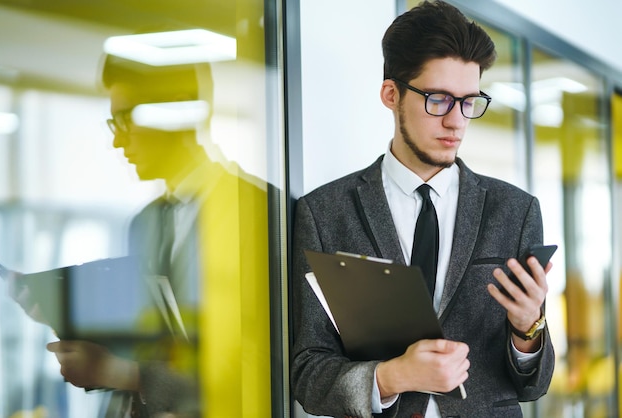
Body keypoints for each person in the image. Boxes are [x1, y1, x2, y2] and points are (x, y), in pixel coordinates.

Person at [291, 1, 555, 418]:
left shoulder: (515, 211)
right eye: (439, 99)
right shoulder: (324, 214)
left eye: (469, 101)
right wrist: (393, 377)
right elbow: (309, 372)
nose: (457, 122)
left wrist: (528, 328)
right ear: (391, 95)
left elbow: (534, 385)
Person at [42, 53, 271, 417]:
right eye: (112, 123)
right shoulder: (143, 223)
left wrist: (116, 371)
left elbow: (259, 368)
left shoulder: (261, 213)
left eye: (125, 120)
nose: (118, 142)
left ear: (177, 113)